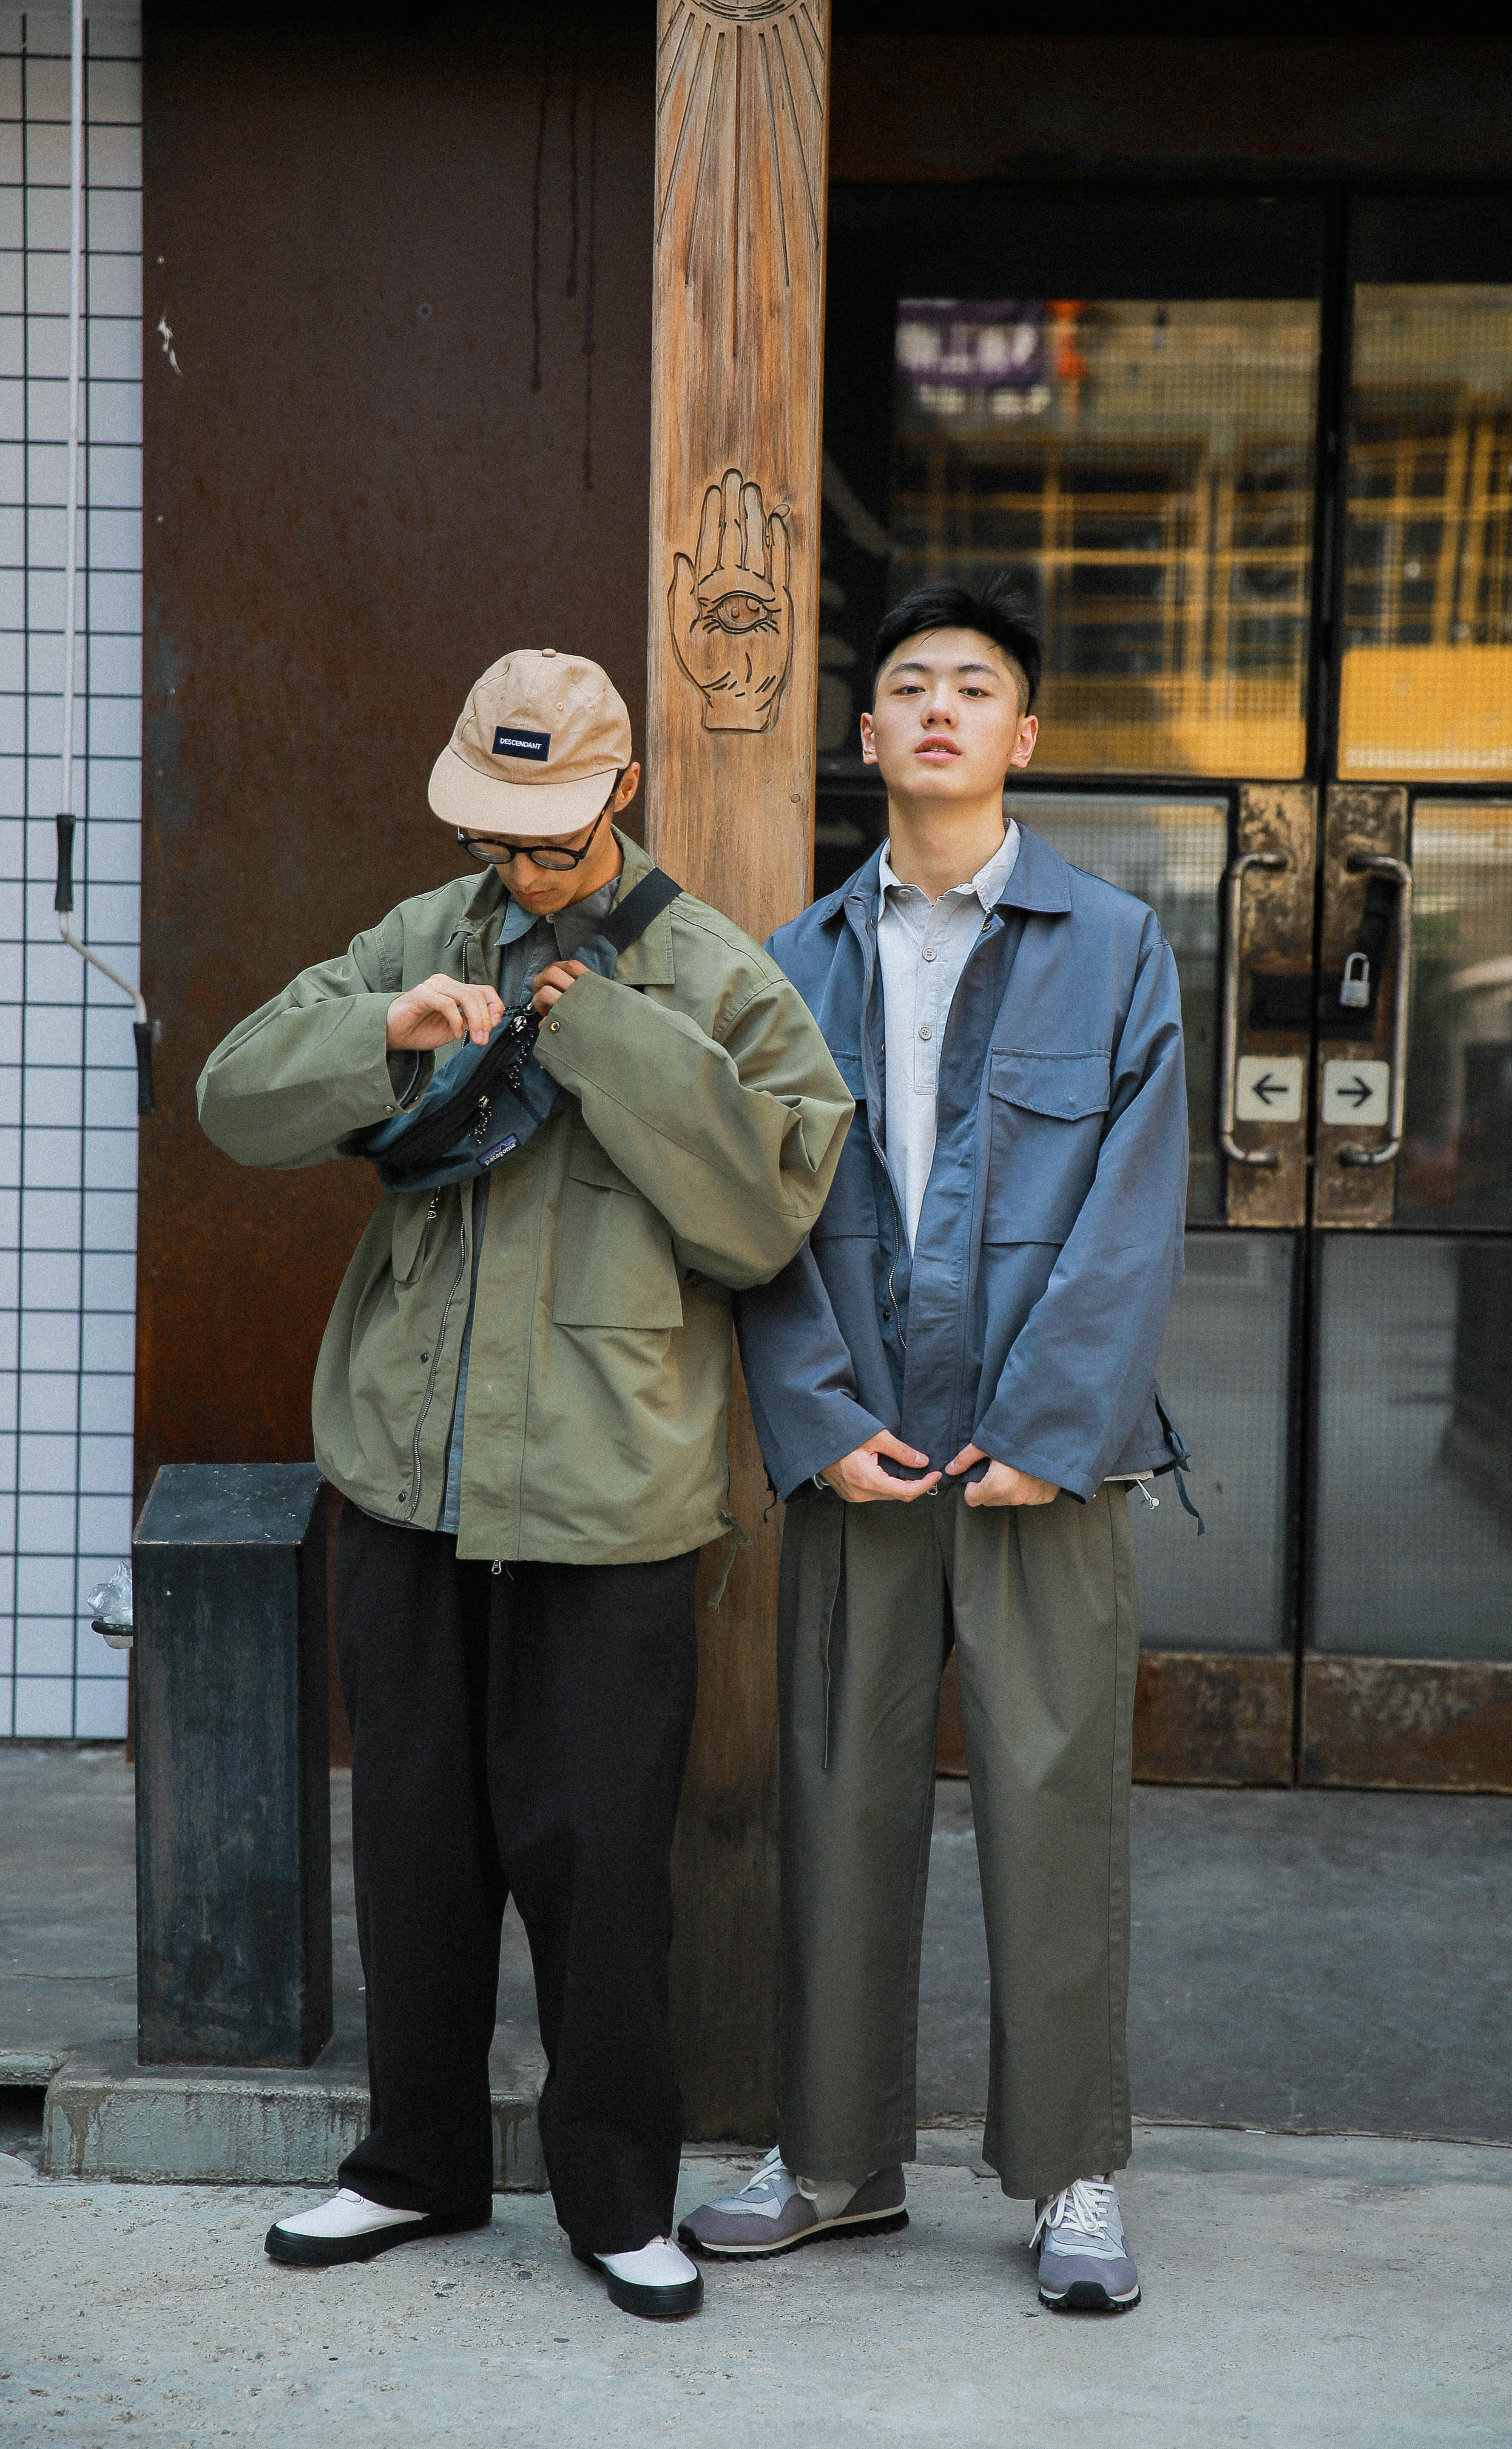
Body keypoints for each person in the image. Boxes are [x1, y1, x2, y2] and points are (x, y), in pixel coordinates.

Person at [197, 648, 852, 2322]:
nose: (520, 868)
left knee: (599, 1862)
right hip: (411, 1474)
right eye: (495, 836)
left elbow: (770, 1206)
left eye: (549, 838)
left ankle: (620, 2195)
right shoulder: (425, 934)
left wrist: (611, 1037)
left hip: (608, 1488)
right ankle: (410, 2166)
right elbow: (234, 1101)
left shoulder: (710, 969)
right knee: (412, 1840)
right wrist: (384, 1029)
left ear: (619, 794)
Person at [680, 581, 1191, 2312]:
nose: (944, 710)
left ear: (1025, 737)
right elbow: (758, 1219)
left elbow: (1133, 1214)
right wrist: (817, 1426)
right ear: (870, 733)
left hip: (1047, 1462)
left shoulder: (1115, 947)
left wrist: (1057, 1426)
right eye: (911, 686)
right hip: (865, 1455)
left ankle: (1073, 2180)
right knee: (836, 1794)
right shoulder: (794, 960)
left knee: (1056, 1805)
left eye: (978, 688)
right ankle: (833, 2159)